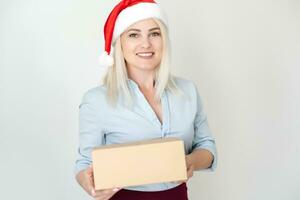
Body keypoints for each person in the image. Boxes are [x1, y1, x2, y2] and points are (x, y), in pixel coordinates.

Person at [74, 0, 217, 199]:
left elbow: (207, 146)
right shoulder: (97, 101)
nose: (146, 44)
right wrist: (90, 185)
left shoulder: (188, 91)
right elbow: (84, 164)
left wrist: (190, 161)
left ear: (164, 39)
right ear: (120, 43)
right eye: (134, 34)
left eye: (154, 33)